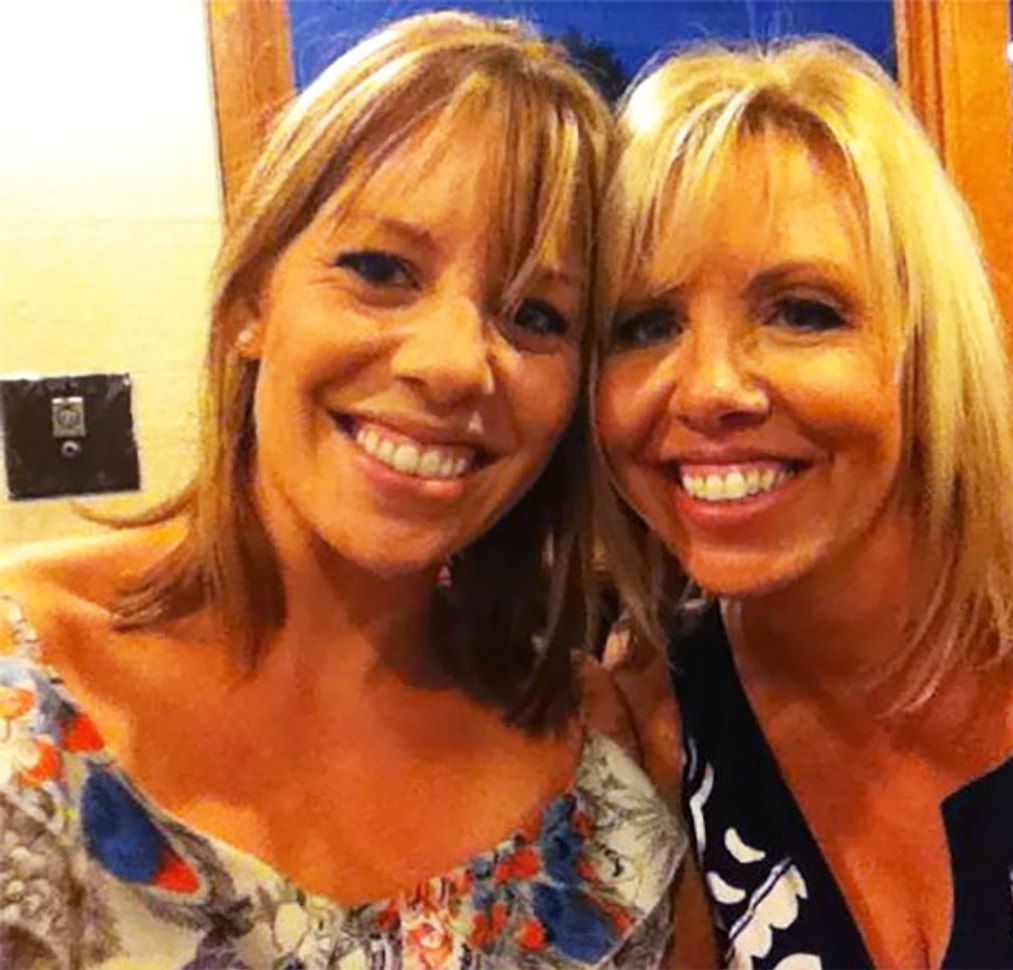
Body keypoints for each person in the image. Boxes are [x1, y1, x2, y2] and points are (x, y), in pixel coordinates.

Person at [0, 13, 691, 967]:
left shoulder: (597, 757)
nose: (454, 363)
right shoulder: (24, 686)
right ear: (251, 298)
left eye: (536, 315)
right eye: (380, 270)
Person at [593, 36, 1013, 968]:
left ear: (926, 350)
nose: (709, 387)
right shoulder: (658, 704)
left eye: (802, 312)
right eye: (645, 324)